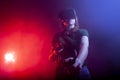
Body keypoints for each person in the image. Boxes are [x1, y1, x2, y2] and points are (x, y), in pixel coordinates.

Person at [49, 8, 91, 80]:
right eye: (67, 17)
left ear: (75, 18)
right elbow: (50, 58)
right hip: (62, 72)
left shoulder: (82, 32)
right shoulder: (57, 36)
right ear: (62, 20)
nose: (70, 19)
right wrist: (55, 52)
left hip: (80, 70)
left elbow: (84, 46)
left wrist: (77, 63)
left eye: (72, 16)